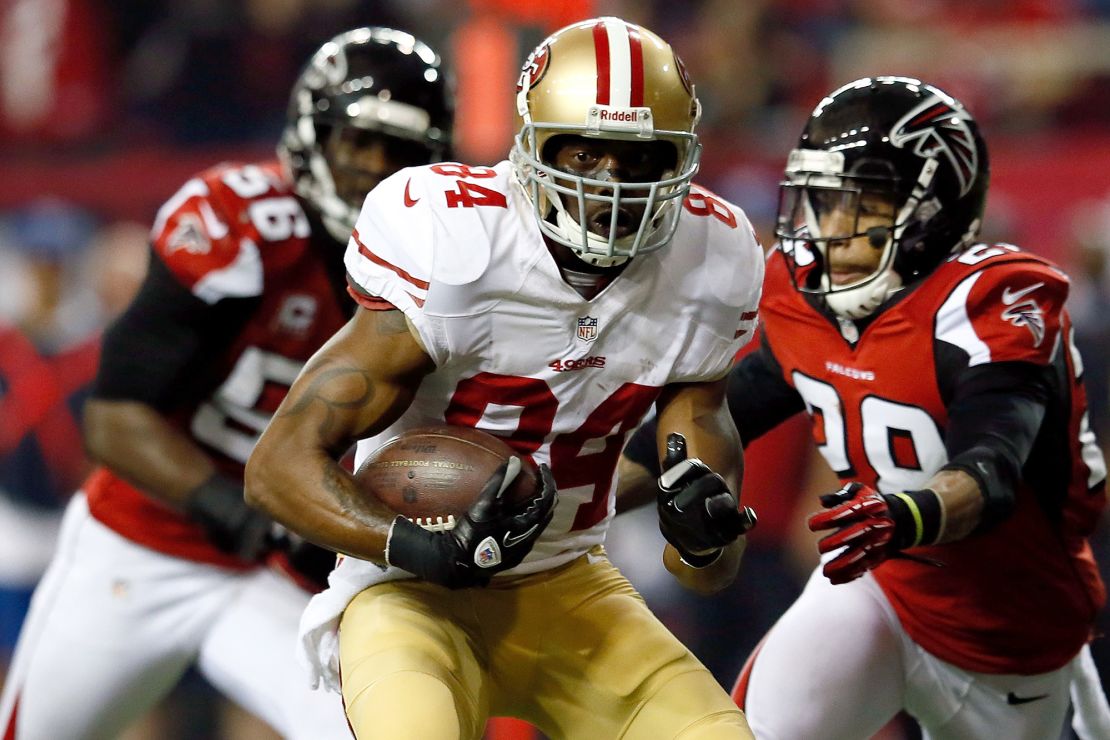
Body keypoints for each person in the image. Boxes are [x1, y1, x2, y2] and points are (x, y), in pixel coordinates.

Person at [245, 16, 763, 740]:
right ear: (531, 147)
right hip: (412, 595)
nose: (608, 184)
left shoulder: (712, 259)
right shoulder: (456, 243)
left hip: (572, 586)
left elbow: (707, 571)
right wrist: (413, 545)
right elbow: (275, 466)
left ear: (680, 160)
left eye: (636, 157)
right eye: (583, 154)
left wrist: (706, 538)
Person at [622, 76, 1110, 740]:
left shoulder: (988, 304)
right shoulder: (803, 301)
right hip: (879, 584)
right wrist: (574, 494)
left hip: (1009, 638)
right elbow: (729, 410)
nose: (832, 231)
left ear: (934, 211)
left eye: (864, 205)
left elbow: (991, 468)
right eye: (823, 203)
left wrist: (907, 514)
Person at [0, 26, 454, 740]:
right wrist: (239, 510)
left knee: (366, 732)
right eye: (356, 142)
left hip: (280, 578)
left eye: (399, 152)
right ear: (309, 137)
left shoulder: (447, 268)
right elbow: (115, 419)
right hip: (141, 546)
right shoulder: (240, 225)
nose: (373, 169)